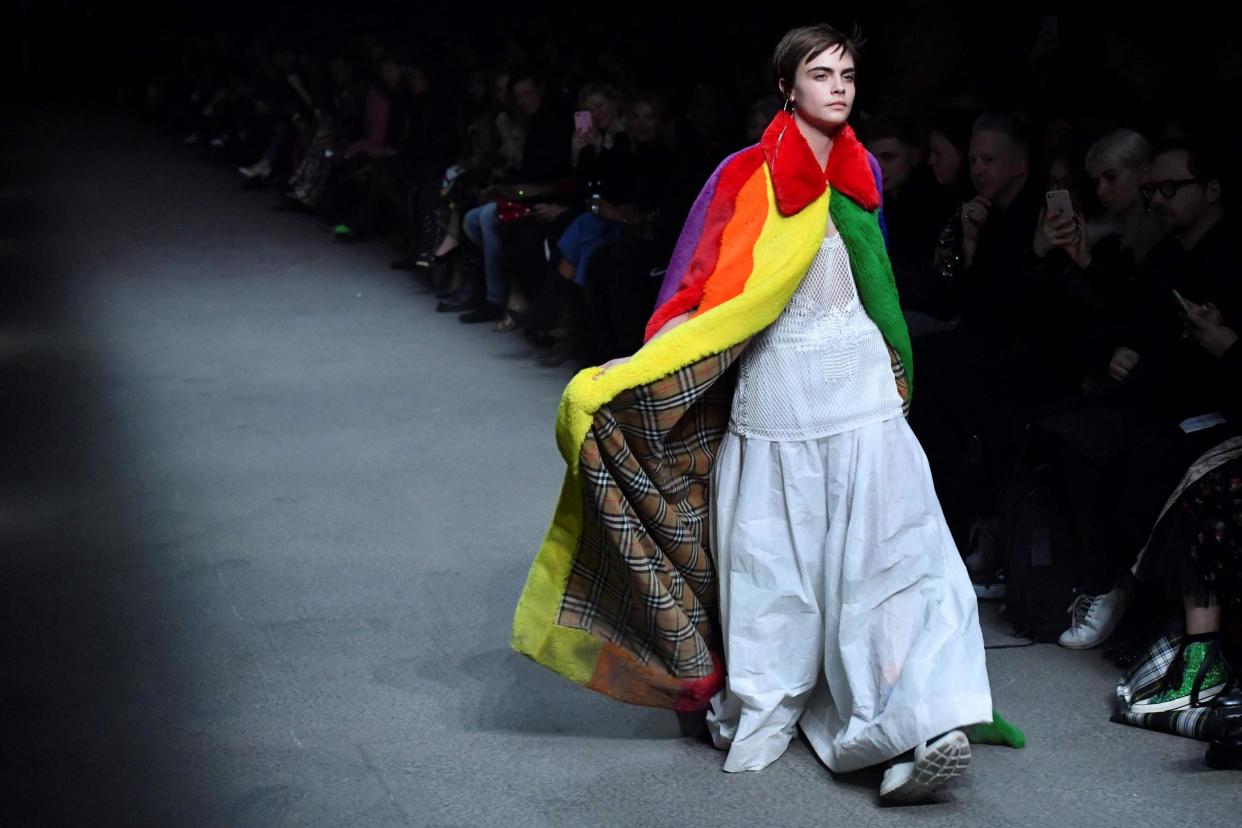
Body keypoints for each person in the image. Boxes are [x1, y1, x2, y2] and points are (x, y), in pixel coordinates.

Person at [512, 24, 995, 806]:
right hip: (779, 391)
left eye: (847, 73)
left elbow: (876, 286)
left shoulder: (863, 170)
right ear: (786, 86)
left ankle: (921, 727)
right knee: (777, 570)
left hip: (861, 384)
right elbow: (703, 284)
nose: (839, 86)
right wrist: (645, 367)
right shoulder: (744, 175)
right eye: (820, 74)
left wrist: (900, 359)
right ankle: (798, 702)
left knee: (900, 561)